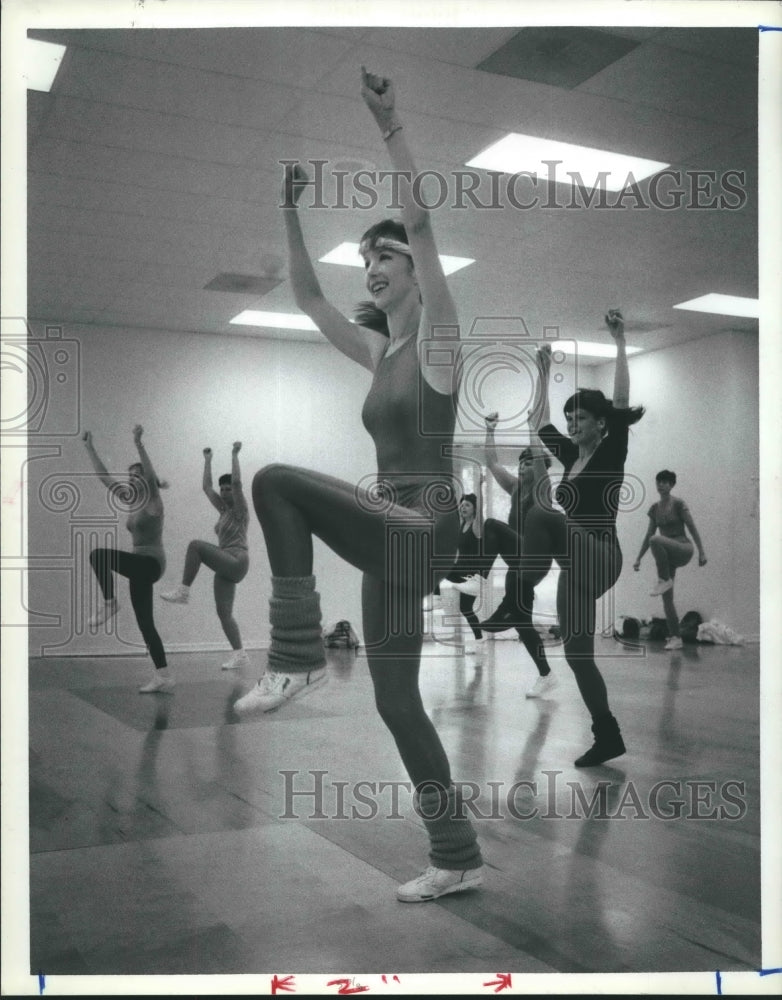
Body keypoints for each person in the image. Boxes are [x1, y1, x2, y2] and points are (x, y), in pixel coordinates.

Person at [233, 67, 483, 902]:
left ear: (414, 269)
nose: (370, 266)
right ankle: (456, 856)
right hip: (387, 523)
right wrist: (289, 204)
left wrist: (390, 125)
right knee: (396, 700)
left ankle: (297, 656)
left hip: (428, 522)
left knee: (275, 482)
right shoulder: (380, 353)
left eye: (384, 256)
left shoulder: (440, 338)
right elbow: (307, 297)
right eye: (366, 258)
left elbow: (420, 216)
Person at [538, 311, 645, 766]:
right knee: (578, 656)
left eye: (579, 417)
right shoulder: (569, 457)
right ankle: (608, 736)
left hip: (601, 553)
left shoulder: (610, 451)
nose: (571, 424)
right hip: (573, 567)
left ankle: (517, 591)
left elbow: (621, 397)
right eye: (570, 418)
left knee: (545, 514)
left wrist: (619, 342)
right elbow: (537, 422)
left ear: (601, 423)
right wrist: (542, 375)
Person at [477, 348, 566, 698]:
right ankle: (546, 674)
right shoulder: (514, 487)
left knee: (494, 528)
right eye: (524, 462)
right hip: (520, 563)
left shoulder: (542, 489)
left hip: (536, 560)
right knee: (522, 621)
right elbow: (491, 461)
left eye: (531, 461)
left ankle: (473, 578)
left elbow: (538, 434)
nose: (525, 466)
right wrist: (490, 430)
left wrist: (542, 375)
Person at [82, 425, 173, 693]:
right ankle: (164, 675)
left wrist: (138, 442)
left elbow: (151, 473)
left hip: (152, 564)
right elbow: (105, 478)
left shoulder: (154, 501)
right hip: (138, 567)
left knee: (98, 555)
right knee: (145, 623)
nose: (132, 479)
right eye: (130, 476)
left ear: (147, 479)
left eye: (138, 475)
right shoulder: (131, 500)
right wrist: (89, 447)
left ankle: (110, 603)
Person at [160, 442, 250, 670]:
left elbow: (239, 483)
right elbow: (207, 487)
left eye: (228, 489)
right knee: (224, 613)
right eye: (224, 489)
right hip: (225, 564)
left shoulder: (240, 511)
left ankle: (183, 591)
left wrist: (234, 455)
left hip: (237, 560)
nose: (225, 492)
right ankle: (240, 654)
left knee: (196, 546)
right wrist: (208, 461)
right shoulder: (223, 511)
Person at [634, 470, 707, 650]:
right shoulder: (654, 509)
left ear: (672, 485)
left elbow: (692, 527)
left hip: (683, 548)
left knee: (655, 539)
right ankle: (676, 637)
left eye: (666, 482)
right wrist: (638, 558)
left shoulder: (678, 504)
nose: (662, 485)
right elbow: (648, 535)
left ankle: (663, 580)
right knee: (667, 599)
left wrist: (701, 552)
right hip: (668, 556)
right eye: (659, 482)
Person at [433, 492, 486, 654]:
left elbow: (481, 511)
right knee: (466, 608)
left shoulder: (477, 527)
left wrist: (480, 485)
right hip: (461, 571)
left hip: (471, 575)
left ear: (475, 509)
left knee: (465, 607)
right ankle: (480, 641)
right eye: (461, 505)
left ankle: (437, 598)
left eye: (467, 505)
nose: (463, 507)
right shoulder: (461, 525)